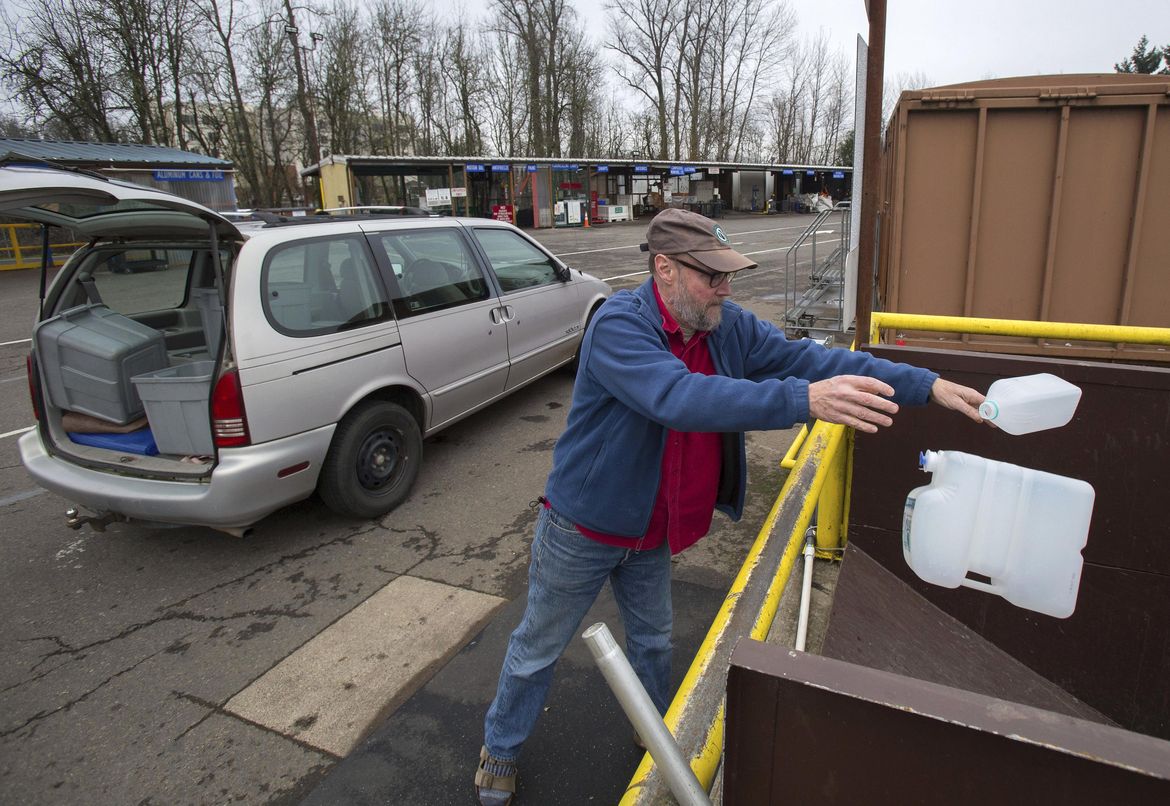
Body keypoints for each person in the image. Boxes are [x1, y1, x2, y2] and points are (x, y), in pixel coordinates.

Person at [474, 208, 985, 805]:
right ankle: (500, 749)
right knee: (538, 646)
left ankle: (654, 736)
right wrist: (803, 400)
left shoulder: (727, 326)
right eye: (710, 276)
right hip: (583, 527)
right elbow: (678, 397)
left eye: (727, 275)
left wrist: (924, 384)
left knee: (654, 643)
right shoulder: (618, 325)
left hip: (653, 530)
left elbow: (815, 361)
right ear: (663, 270)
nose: (725, 287)